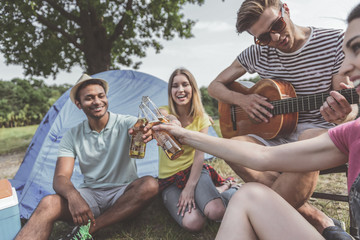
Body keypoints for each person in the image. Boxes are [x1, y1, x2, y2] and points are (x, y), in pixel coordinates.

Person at [151, 3, 360, 239]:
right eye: (263, 37)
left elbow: (348, 102)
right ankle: (314, 216)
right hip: (276, 134)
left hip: (317, 132)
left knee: (307, 136)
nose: (276, 37)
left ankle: (259, 214)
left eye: (277, 25)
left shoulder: (333, 41)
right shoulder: (258, 52)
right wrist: (243, 100)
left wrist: (344, 113)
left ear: (285, 10)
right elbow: (215, 86)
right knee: (233, 146)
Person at [15, 74, 159, 240]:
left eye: (101, 96)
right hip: (91, 196)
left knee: (150, 184)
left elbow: (144, 125)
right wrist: (74, 197)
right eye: (89, 98)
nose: (97, 101)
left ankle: (89, 229)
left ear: (106, 98)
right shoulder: (73, 135)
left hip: (123, 193)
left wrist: (148, 129)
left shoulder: (126, 123)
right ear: (78, 104)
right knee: (49, 202)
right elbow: (60, 177)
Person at [157, 68, 238, 231]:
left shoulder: (201, 118)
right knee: (194, 223)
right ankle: (217, 191)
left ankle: (229, 188)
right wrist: (174, 123)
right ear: (170, 90)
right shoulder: (163, 111)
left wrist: (189, 188)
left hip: (195, 172)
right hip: (169, 180)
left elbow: (199, 157)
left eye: (185, 85)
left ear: (193, 88)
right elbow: (166, 116)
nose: (180, 90)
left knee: (216, 212)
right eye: (175, 86)